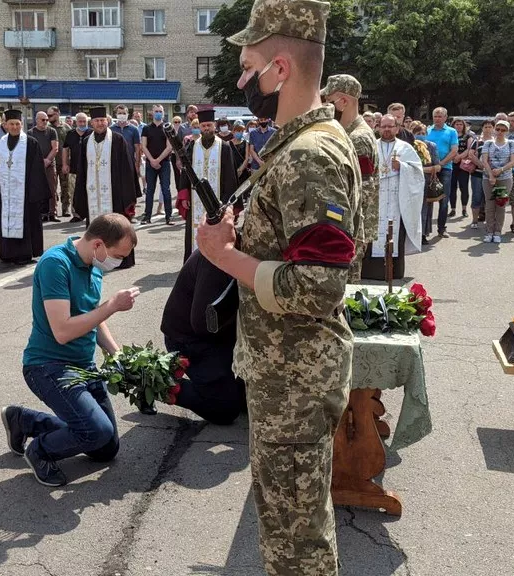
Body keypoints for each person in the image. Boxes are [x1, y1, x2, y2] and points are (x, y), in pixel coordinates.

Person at [197, 2, 362, 573]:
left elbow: (318, 286)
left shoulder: (308, 156)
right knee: (288, 529)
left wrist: (226, 255)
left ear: (281, 69)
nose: (242, 80)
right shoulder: (304, 143)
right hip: (287, 373)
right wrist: (250, 244)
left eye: (248, 67)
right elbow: (301, 252)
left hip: (295, 378)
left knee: (297, 546)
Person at [0, 214, 139, 487]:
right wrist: (110, 306)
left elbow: (94, 318)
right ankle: (39, 450)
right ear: (98, 244)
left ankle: (25, 421)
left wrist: (116, 352)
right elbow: (62, 331)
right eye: (118, 256)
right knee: (96, 431)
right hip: (48, 366)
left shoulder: (93, 265)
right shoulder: (55, 264)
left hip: (82, 367)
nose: (118, 263)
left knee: (105, 447)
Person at [161, 249, 246, 425]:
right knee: (225, 408)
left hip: (221, 336)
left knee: (251, 399)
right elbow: (202, 324)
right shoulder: (219, 257)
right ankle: (157, 381)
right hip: (192, 340)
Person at [321, 74, 377, 280]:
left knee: (347, 288)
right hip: (348, 227)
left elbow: (362, 191)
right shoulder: (348, 133)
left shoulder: (358, 138)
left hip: (352, 230)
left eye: (329, 102)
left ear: (343, 102)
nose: (325, 108)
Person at [73, 107, 141, 269]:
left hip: (115, 194)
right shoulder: (85, 142)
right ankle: (95, 258)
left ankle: (121, 259)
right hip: (92, 195)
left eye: (103, 120)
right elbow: (81, 170)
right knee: (95, 227)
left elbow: (127, 168)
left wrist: (128, 196)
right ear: (92, 123)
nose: (100, 123)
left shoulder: (117, 140)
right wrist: (80, 196)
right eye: (97, 121)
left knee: (118, 227)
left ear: (107, 122)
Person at [362, 114, 425, 279]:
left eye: (390, 126)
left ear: (397, 128)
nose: (387, 130)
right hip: (376, 199)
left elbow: (418, 174)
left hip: (397, 201)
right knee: (373, 233)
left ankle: (394, 272)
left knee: (394, 233)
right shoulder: (371, 146)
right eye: (383, 126)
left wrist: (403, 167)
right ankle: (371, 272)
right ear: (378, 128)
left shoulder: (405, 148)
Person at [0, 109, 50, 264]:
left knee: (25, 222)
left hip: (25, 194)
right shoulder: (0, 142)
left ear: (21, 124)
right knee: (5, 220)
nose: (14, 127)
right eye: (11, 124)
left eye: (17, 124)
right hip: (5, 192)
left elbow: (37, 170)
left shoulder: (30, 142)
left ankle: (24, 253)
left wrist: (34, 193)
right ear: (5, 125)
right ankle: (8, 253)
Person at [176, 109, 239, 260]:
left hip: (218, 201)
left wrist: (227, 202)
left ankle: (217, 260)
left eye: (209, 125)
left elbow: (230, 176)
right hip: (195, 199)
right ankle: (193, 261)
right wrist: (184, 195)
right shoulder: (192, 146)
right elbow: (185, 171)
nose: (206, 128)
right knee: (195, 231)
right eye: (203, 126)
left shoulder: (224, 147)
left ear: (214, 126)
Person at [481, 120, 514, 244]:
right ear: (494, 130)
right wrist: (491, 175)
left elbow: (513, 161)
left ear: (507, 131)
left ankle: (498, 231)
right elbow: (485, 161)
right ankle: (489, 231)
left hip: (504, 178)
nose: (500, 132)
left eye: (503, 130)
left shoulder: (511, 143)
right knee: (489, 205)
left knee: (500, 205)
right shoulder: (488, 143)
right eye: (498, 129)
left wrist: (501, 170)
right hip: (488, 178)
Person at [140, 104, 174, 225]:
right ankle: (147, 216)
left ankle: (169, 216)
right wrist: (152, 161)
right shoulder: (146, 128)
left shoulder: (168, 128)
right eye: (156, 111)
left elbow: (169, 147)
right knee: (150, 190)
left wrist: (158, 160)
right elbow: (143, 146)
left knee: (166, 189)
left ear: (163, 113)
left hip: (164, 163)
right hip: (150, 164)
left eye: (160, 111)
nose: (158, 113)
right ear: (152, 113)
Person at [425, 108, 456, 235]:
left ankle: (441, 228)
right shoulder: (427, 130)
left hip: (445, 169)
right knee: (427, 199)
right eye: (435, 116)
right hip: (428, 169)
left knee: (444, 199)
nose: (437, 118)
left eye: (440, 116)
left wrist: (441, 164)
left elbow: (454, 150)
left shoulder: (451, 131)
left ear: (445, 117)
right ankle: (426, 229)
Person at [29, 111, 62, 223]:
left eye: (47, 120)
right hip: (36, 165)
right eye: (43, 120)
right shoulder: (30, 132)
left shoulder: (52, 131)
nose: (45, 122)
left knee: (52, 189)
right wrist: (39, 161)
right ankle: (41, 213)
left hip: (50, 164)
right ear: (37, 120)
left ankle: (53, 213)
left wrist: (48, 160)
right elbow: (30, 149)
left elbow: (55, 148)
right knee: (38, 189)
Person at [61, 113, 90, 223]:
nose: (82, 124)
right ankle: (77, 214)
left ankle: (89, 213)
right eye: (80, 121)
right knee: (73, 192)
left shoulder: (91, 133)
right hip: (74, 168)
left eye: (84, 122)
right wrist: (65, 164)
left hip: (89, 169)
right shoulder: (70, 134)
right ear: (75, 122)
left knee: (89, 191)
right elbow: (65, 149)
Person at [466, 119, 494, 230]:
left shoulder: (496, 141)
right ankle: (474, 220)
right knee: (477, 196)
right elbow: (471, 154)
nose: (488, 129)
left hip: (491, 174)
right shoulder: (477, 141)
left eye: (490, 127)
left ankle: (489, 219)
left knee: (489, 198)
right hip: (477, 173)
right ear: (482, 128)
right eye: (485, 127)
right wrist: (482, 165)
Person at [48, 106, 71, 218]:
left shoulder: (66, 127)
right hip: (51, 163)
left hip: (64, 162)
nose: (49, 118)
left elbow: (70, 146)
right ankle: (53, 210)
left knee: (65, 187)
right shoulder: (47, 128)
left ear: (57, 114)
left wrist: (67, 161)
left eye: (51, 115)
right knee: (52, 187)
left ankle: (66, 208)